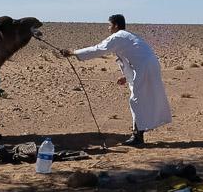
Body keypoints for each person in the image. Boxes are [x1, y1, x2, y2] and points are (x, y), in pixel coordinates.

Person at [61, 14, 171, 146]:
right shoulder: (127, 36)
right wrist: (127, 76)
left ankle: (138, 136)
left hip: (145, 67)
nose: (108, 28)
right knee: (139, 99)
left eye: (109, 25)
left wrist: (74, 52)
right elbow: (132, 58)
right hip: (147, 66)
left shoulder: (118, 36)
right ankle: (138, 133)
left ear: (116, 25)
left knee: (136, 100)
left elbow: (99, 49)